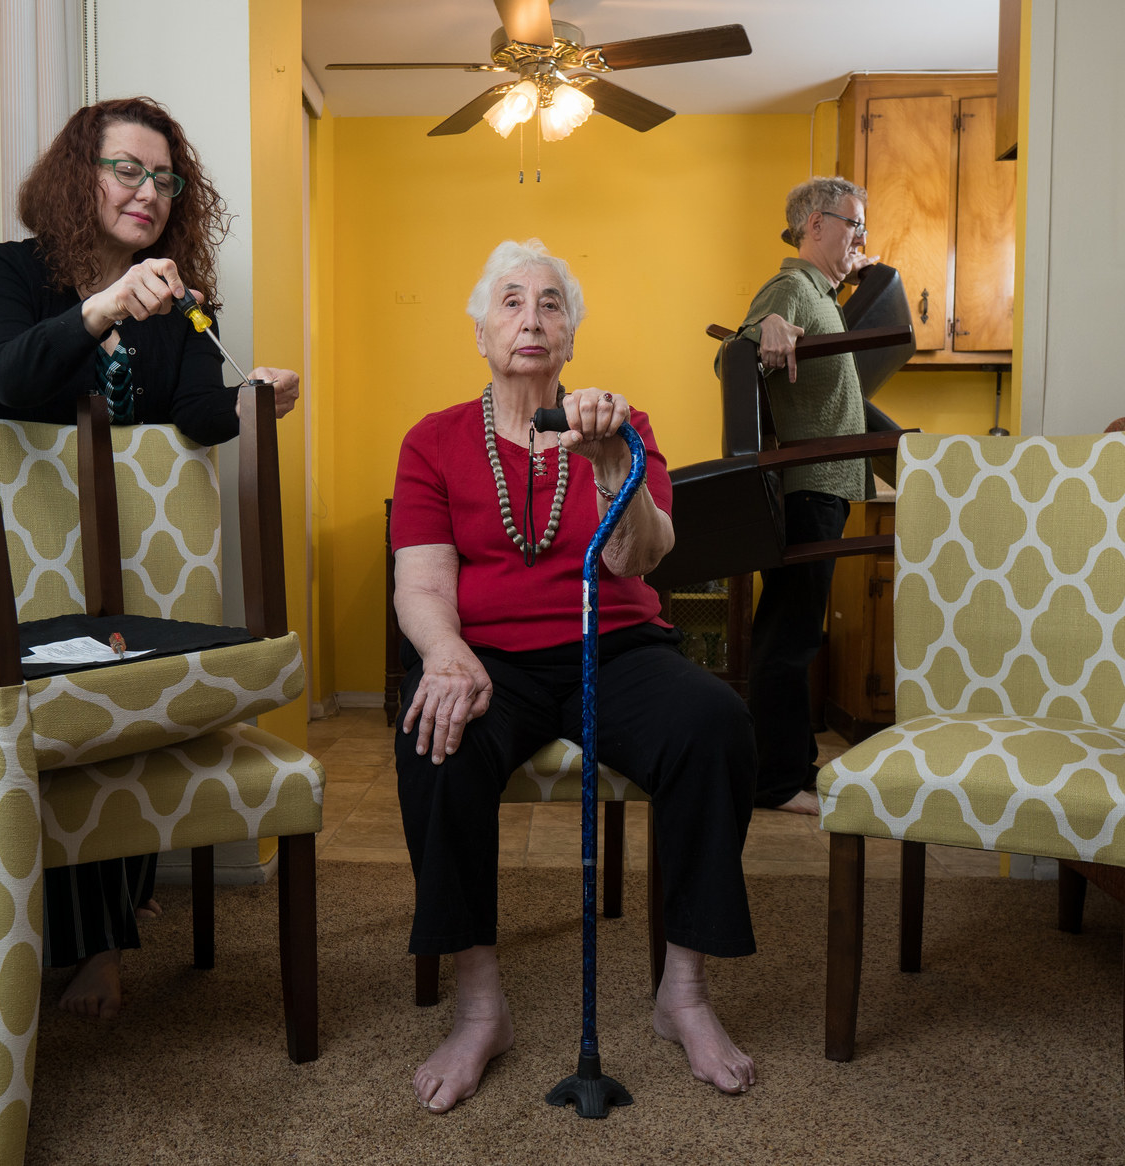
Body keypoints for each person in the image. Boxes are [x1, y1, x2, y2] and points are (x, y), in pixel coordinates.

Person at [391, 238, 758, 1114]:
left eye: (550, 303)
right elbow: (423, 583)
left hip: (618, 646)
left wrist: (608, 464)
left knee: (716, 723)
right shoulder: (433, 440)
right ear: (481, 331)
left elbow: (642, 557)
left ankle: (685, 993)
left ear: (570, 335)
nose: (531, 317)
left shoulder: (624, 425)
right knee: (432, 734)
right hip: (492, 659)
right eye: (511, 302)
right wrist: (445, 654)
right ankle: (481, 1007)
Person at [0, 96, 300, 1019]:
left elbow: (202, 413)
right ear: (81, 176)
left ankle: (101, 945)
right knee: (49, 719)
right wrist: (107, 304)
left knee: (127, 704)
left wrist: (259, 397)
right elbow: (10, 376)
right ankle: (92, 935)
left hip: (138, 568)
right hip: (28, 561)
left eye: (164, 176)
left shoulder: (183, 302)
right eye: (127, 169)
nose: (148, 190)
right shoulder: (7, 272)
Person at [730, 176, 880, 815]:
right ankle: (777, 780)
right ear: (814, 225)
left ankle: (789, 767)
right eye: (853, 225)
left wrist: (860, 264)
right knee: (789, 638)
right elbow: (733, 359)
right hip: (806, 487)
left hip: (825, 486)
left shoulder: (823, 295)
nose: (860, 239)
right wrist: (762, 328)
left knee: (792, 632)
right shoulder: (791, 289)